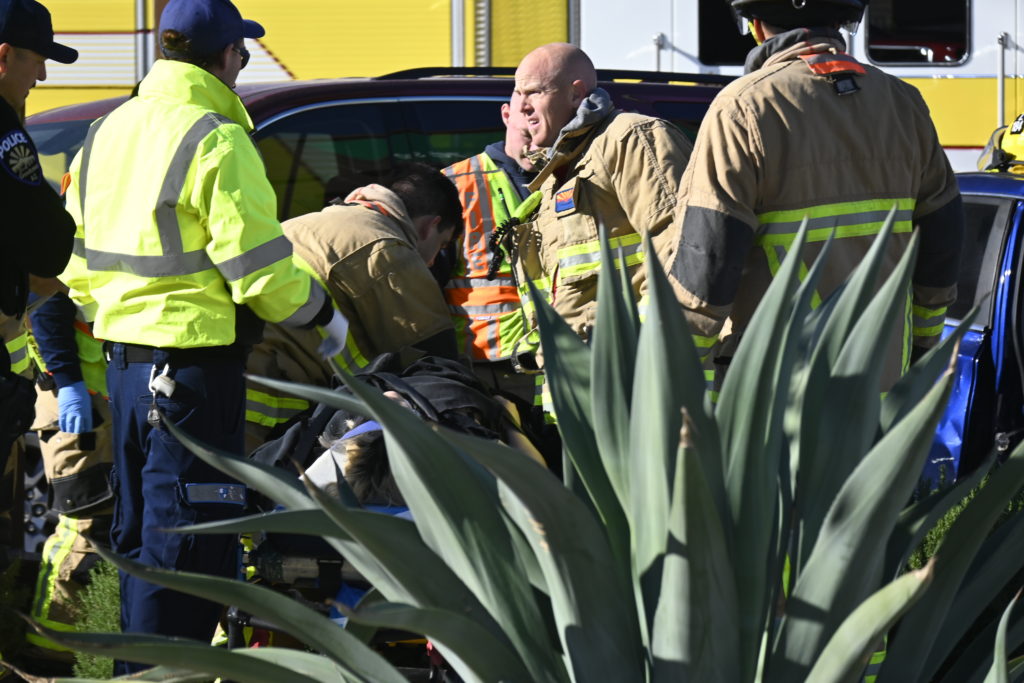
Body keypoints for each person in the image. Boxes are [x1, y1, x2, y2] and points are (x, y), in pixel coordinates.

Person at [58, 0, 345, 668]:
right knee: (184, 550)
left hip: (128, 371)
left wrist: (122, 323)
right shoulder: (215, 137)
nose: (242, 64)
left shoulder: (104, 132)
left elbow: (75, 265)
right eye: (241, 52)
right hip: (191, 377)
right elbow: (258, 271)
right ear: (224, 56)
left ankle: (138, 674)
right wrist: (322, 314)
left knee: (141, 544)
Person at [671, 0, 964, 392]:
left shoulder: (741, 107)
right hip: (881, 387)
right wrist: (922, 347)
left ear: (756, 26)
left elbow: (708, 260)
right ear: (842, 19)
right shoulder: (904, 103)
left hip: (778, 393)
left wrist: (678, 380)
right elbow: (942, 240)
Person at [502, 43, 693, 413]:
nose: (522, 106)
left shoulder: (629, 139)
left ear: (576, 93)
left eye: (535, 92)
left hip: (631, 382)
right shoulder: (559, 170)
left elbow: (680, 250)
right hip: (579, 387)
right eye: (518, 93)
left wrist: (649, 353)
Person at [244, 163, 461, 447]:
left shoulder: (304, 223)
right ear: (430, 225)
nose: (432, 262)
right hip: (274, 406)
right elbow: (436, 361)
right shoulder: (387, 247)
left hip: (231, 381)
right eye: (442, 245)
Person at [0, 0, 76, 485]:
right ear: (4, 56)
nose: (42, 76)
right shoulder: (5, 134)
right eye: (37, 59)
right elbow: (48, 247)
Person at [26, 292, 113, 661]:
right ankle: (52, 657)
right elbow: (46, 305)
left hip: (101, 404)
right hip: (80, 407)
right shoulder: (68, 258)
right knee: (86, 529)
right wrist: (68, 382)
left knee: (105, 530)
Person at [442, 103, 538, 405]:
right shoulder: (455, 184)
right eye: (527, 135)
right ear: (506, 115)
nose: (537, 147)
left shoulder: (572, 177)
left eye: (547, 138)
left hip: (559, 354)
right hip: (484, 363)